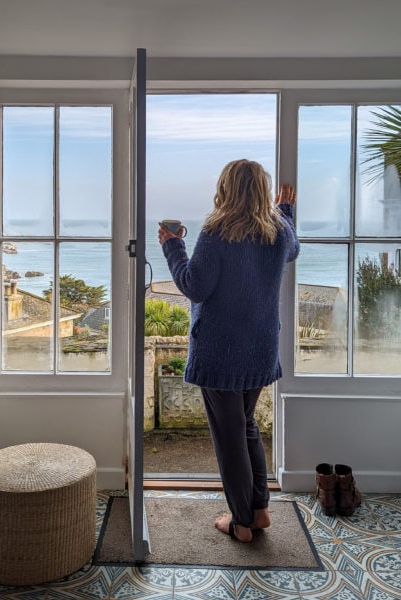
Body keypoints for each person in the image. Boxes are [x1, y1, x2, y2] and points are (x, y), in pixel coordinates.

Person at [158, 159, 299, 543]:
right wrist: (285, 211)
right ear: (261, 191)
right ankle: (260, 510)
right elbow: (293, 251)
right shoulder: (280, 231)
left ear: (224, 189)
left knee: (230, 435)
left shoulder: (216, 233)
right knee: (246, 426)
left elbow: (194, 286)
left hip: (221, 352)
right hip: (259, 349)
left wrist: (173, 246)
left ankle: (240, 523)